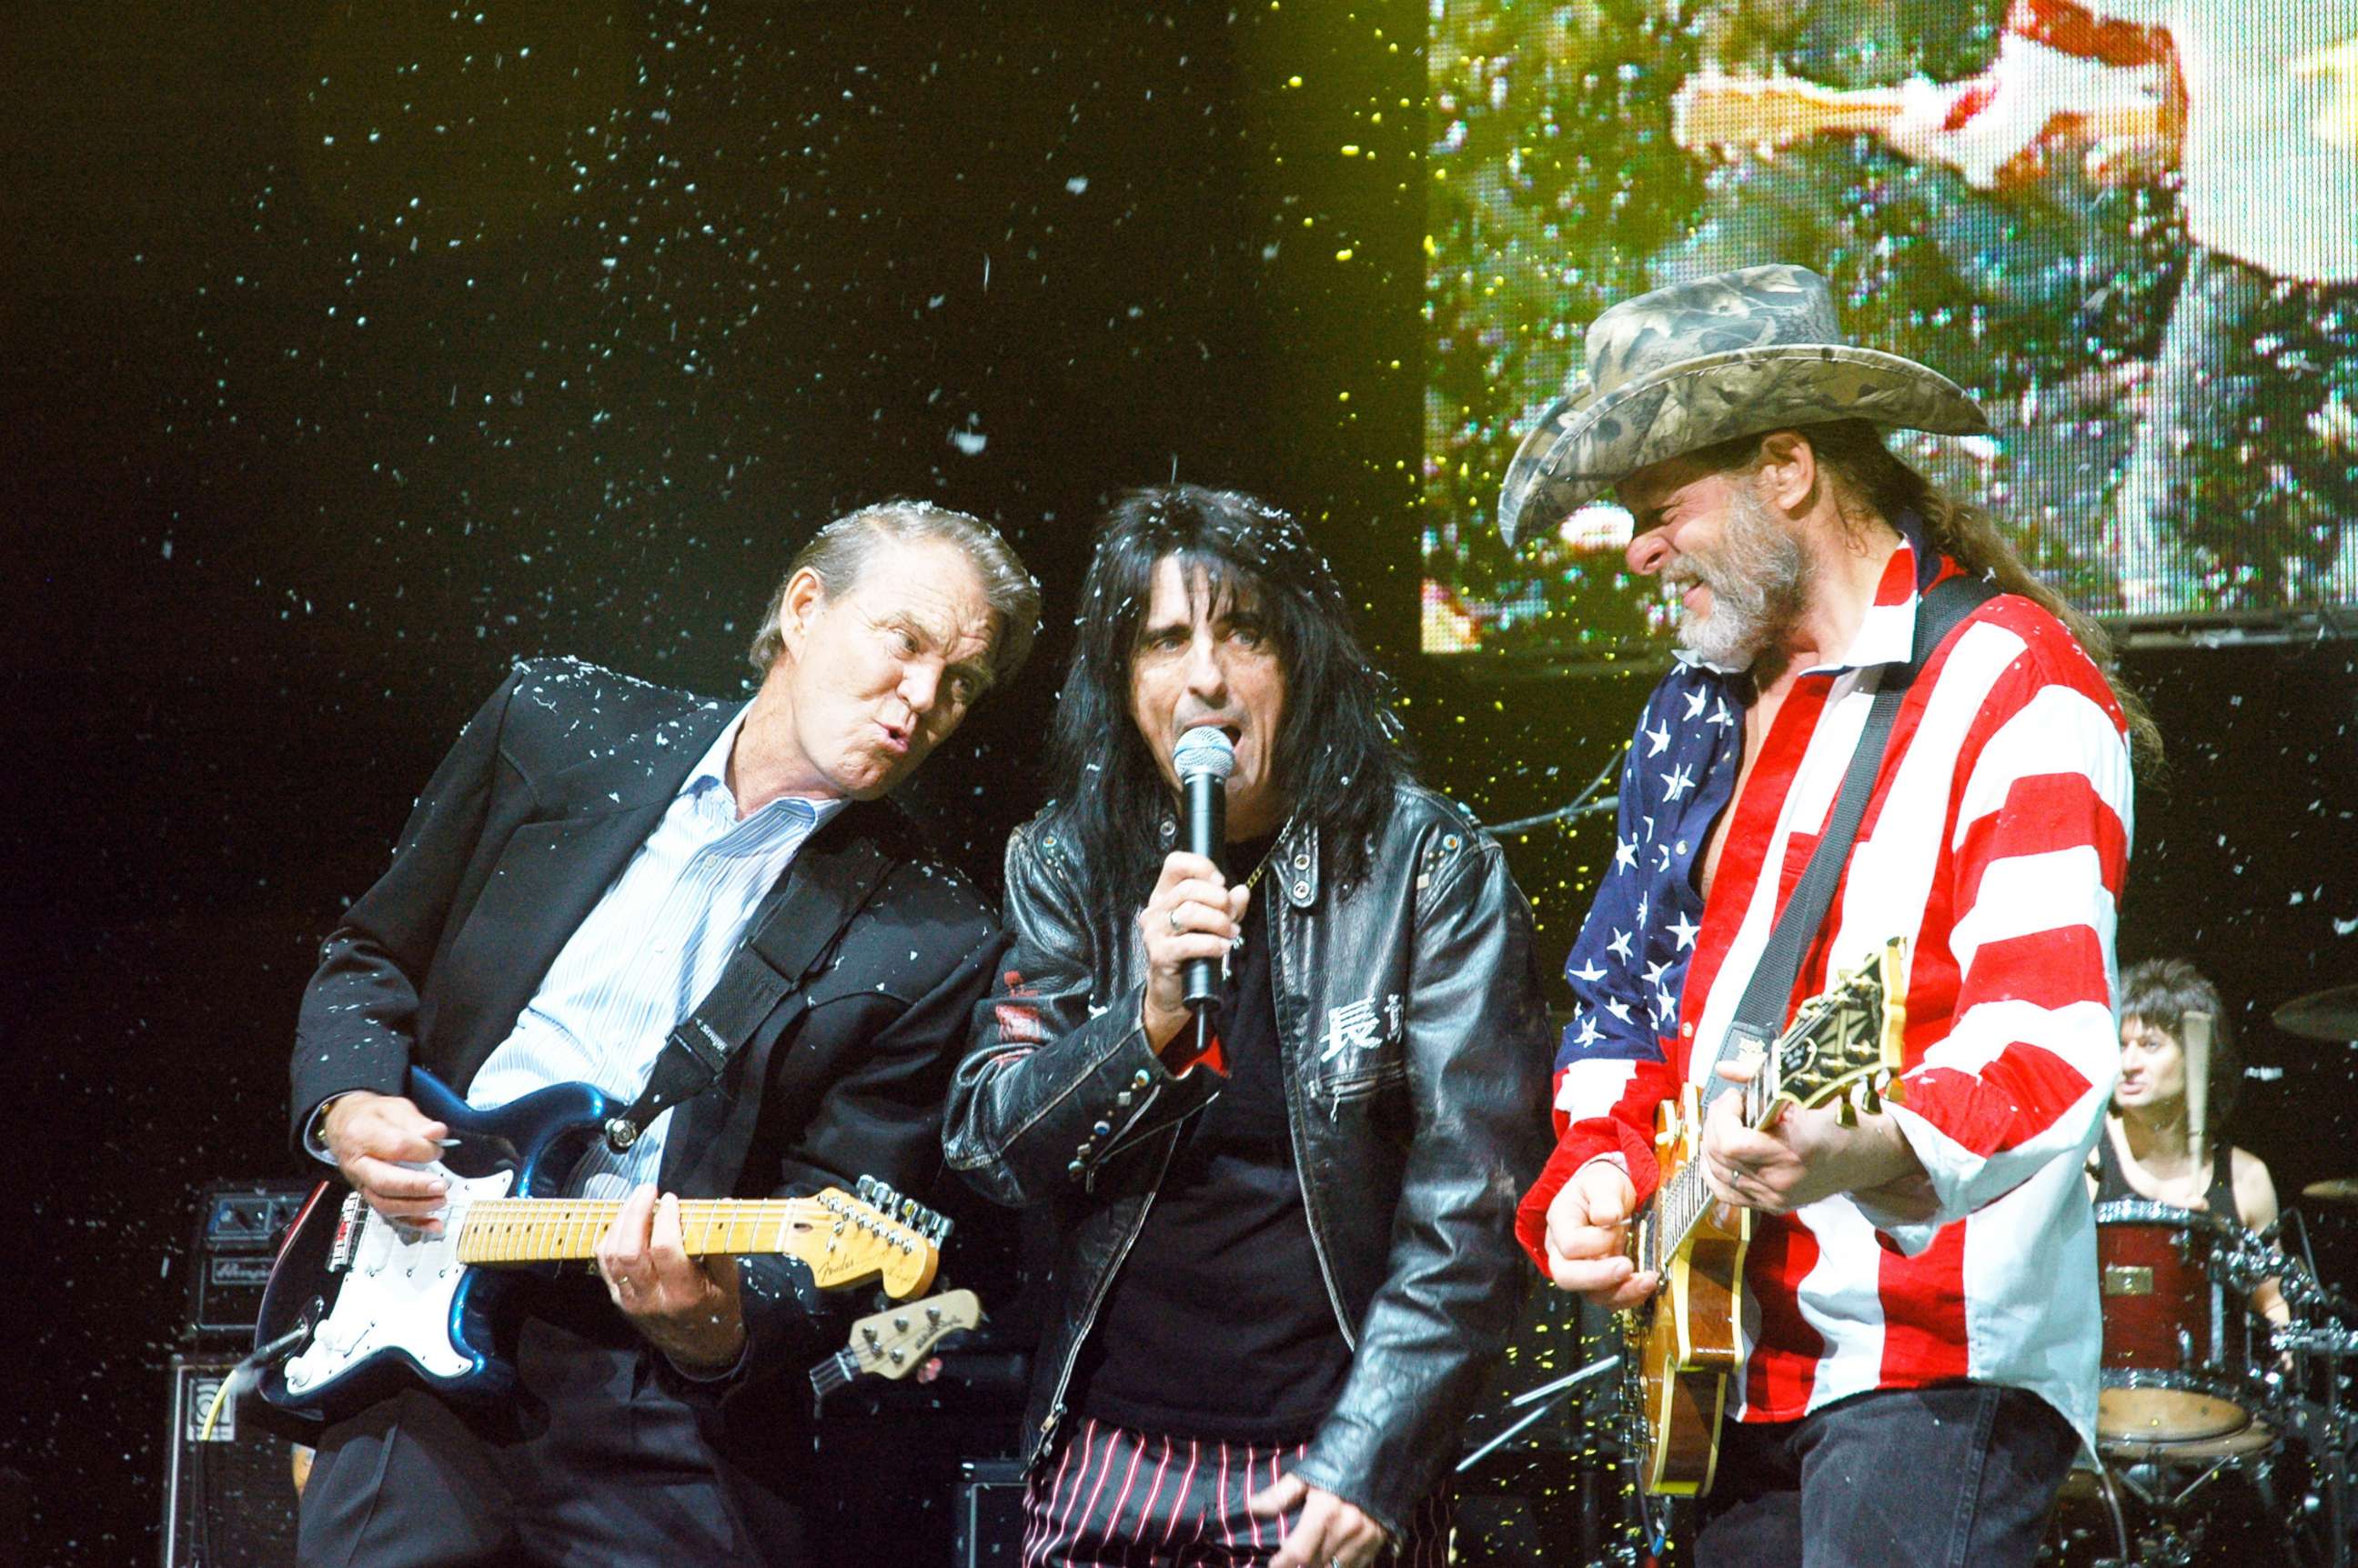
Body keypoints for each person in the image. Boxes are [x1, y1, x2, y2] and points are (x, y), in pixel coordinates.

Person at [1500, 265, 2141, 1567]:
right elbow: (1626, 1005)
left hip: (1931, 1375)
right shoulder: (1696, 721)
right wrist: (1605, 1169)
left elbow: (2049, 1042)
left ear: (1787, 465)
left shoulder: (2015, 687)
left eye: (1660, 507)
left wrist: (1864, 1147)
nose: (1635, 547)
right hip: (1741, 1372)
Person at [286, 501, 1037, 1567]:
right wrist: (348, 1104)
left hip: (652, 1400)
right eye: (906, 642)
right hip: (411, 1328)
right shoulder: (549, 721)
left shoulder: (934, 932)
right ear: (805, 606)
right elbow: (370, 954)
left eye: (961, 683)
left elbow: (845, 1212)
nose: (925, 698)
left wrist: (719, 1323)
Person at [944, 486, 1553, 1568]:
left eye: (1243, 633)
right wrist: (1146, 1025)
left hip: (1326, 1465)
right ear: (1124, 682)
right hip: (1108, 1458)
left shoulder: (1427, 870)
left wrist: (1372, 1459)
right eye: (1165, 641)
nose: (1206, 679)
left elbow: (1474, 1205)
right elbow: (991, 1145)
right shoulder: (1066, 860)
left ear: (1302, 659)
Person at [2097, 957, 2289, 1327]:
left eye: (2150, 1045)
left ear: (2197, 1058)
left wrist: (2282, 1352)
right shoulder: (2083, 1160)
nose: (2128, 1062)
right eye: (2121, 1045)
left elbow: (2271, 1302)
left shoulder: (2247, 1179)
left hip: (2205, 1384)